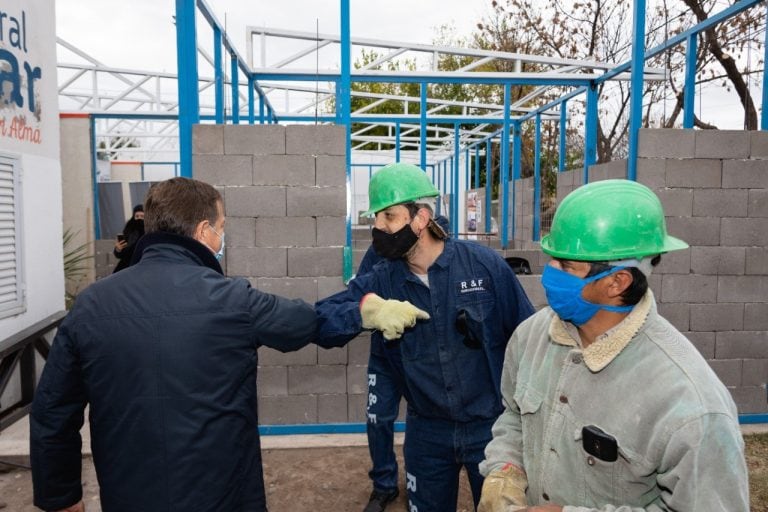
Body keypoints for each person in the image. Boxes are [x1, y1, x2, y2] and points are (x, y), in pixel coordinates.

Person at [31, 177, 317, 512]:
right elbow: (304, 323)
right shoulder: (234, 299)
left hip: (128, 496)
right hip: (222, 496)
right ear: (202, 231)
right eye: (221, 227)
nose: (222, 237)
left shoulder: (91, 304)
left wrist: (61, 497)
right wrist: (363, 307)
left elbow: (52, 411)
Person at [478, 179, 749, 512]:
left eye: (565, 265)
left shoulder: (691, 404)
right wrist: (505, 471)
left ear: (616, 282)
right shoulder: (532, 336)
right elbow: (514, 417)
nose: (549, 273)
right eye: (552, 259)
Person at [315, 162, 535, 512]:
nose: (378, 228)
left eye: (388, 216)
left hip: (492, 428)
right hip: (427, 433)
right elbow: (322, 319)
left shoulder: (483, 266)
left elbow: (530, 337)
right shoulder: (383, 279)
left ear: (421, 218)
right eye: (376, 218)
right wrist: (365, 311)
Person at [358, 214, 449, 512]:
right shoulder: (381, 247)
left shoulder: (445, 246)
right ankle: (383, 485)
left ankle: (417, 480)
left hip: (421, 355)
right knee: (378, 417)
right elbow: (361, 292)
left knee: (421, 419)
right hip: (385, 354)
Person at [112, 204, 145, 273]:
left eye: (142, 216)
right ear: (133, 217)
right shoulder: (129, 229)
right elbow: (122, 254)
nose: (139, 218)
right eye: (137, 216)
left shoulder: (150, 231)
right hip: (126, 267)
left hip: (143, 267)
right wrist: (118, 249)